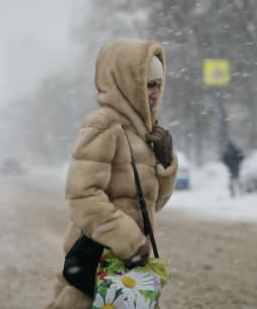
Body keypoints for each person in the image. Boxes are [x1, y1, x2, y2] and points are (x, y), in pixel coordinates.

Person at [44, 38, 178, 309]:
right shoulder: (104, 124)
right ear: (125, 82)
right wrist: (129, 242)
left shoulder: (143, 133)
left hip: (124, 268)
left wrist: (165, 162)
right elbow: (82, 195)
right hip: (97, 262)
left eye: (157, 85)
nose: (153, 93)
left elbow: (153, 204)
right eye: (146, 84)